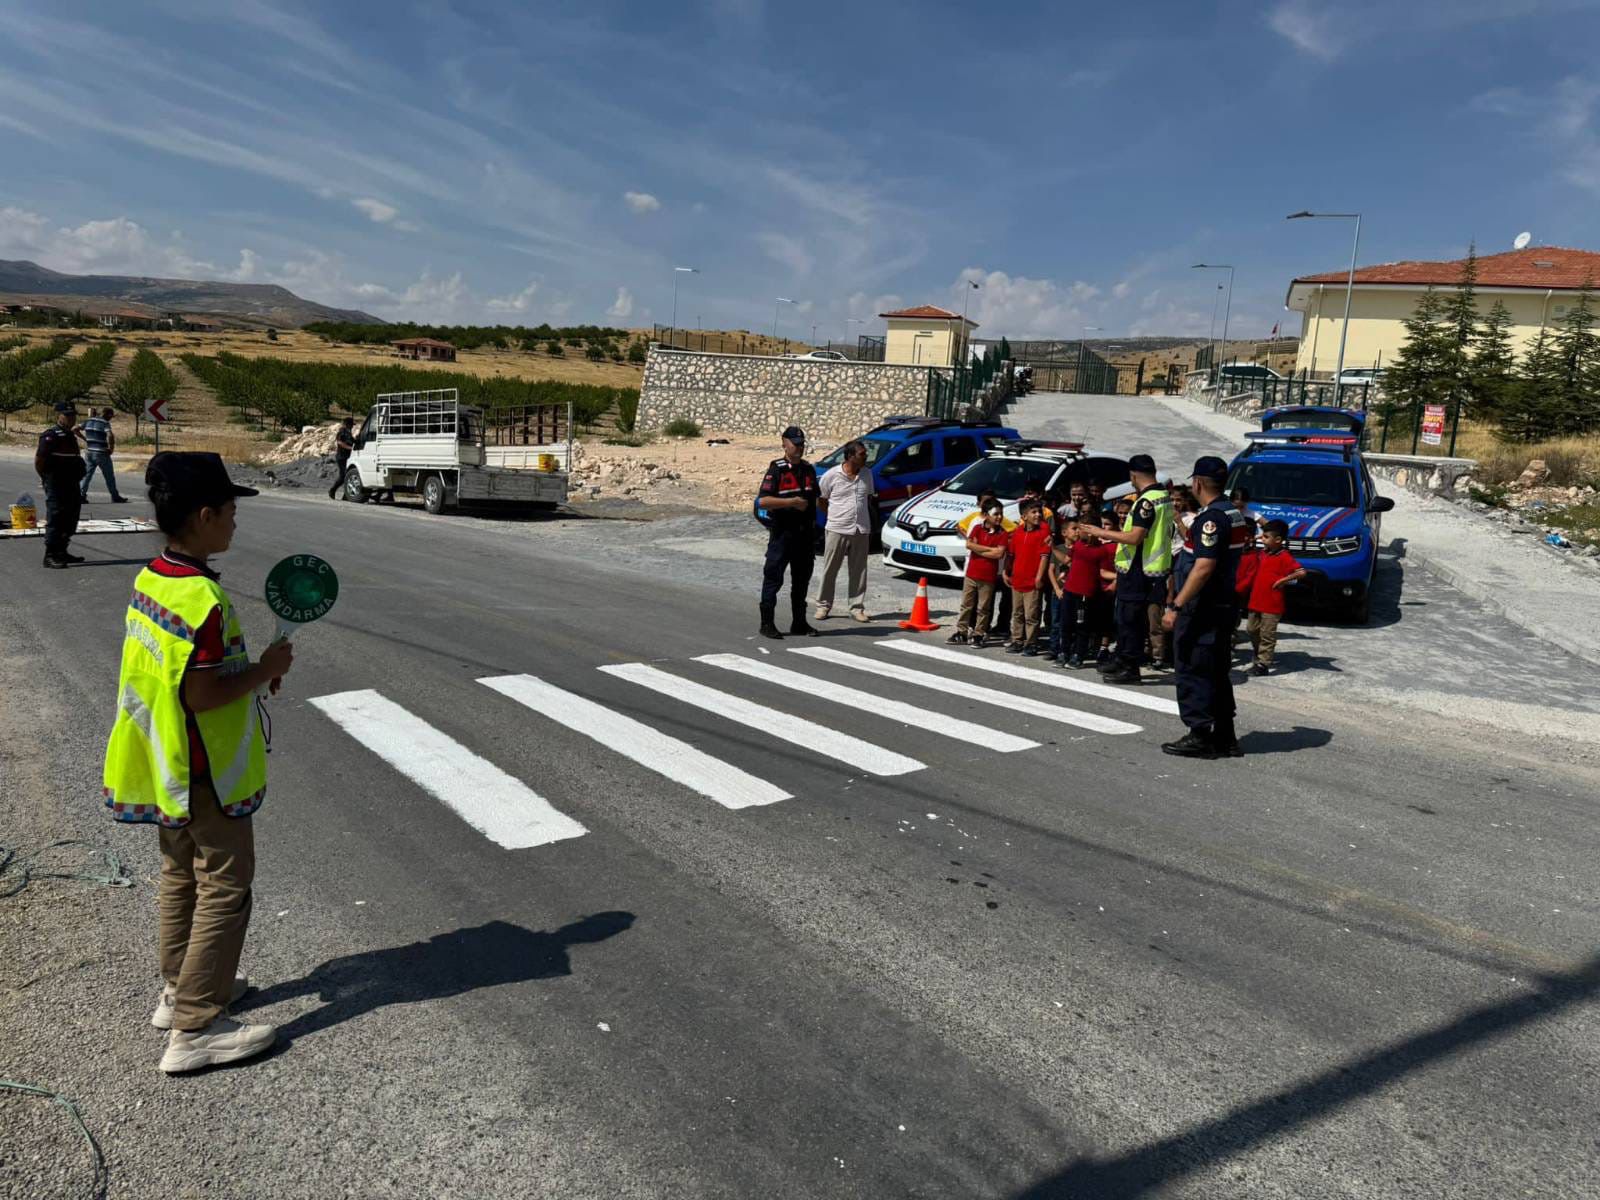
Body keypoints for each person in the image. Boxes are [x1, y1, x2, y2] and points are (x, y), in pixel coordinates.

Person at [101, 452, 294, 1073]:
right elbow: (202, 693)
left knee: (179, 877)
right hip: (206, 768)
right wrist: (263, 671)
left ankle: (178, 990)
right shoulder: (204, 599)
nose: (236, 524)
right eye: (231, 513)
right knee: (225, 886)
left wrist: (249, 674)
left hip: (164, 760)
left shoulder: (153, 577)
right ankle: (197, 1027)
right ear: (205, 515)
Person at [1160, 455, 1250, 758]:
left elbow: (1203, 567)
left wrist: (1175, 605)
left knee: (1192, 666)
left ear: (1197, 483)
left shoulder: (1212, 518)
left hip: (1202, 607)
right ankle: (1225, 735)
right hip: (1223, 605)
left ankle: (1200, 734)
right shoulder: (1231, 513)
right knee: (1216, 670)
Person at [1083, 454, 1173, 684]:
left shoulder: (1146, 501)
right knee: (1127, 617)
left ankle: (1130, 666)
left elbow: (1135, 537)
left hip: (1139, 569)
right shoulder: (1163, 496)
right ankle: (1123, 658)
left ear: (1133, 475)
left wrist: (1100, 532)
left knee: (1130, 619)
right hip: (1151, 569)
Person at [756, 425, 820, 639]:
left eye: (802, 444)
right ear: (785, 444)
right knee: (773, 578)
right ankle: (767, 623)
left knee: (801, 581)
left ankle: (799, 622)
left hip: (805, 536)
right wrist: (790, 502)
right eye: (796, 444)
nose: (800, 447)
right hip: (783, 535)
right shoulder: (777, 469)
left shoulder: (808, 470)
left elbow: (817, 500)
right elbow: (763, 501)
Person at [814, 439, 875, 623]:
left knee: (859, 570)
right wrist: (835, 514)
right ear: (850, 456)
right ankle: (823, 605)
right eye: (862, 454)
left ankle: (857, 607)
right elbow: (822, 500)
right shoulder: (831, 475)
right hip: (837, 528)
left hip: (861, 528)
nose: (866, 457)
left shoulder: (867, 474)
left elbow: (868, 498)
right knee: (830, 569)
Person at [1243, 519, 1307, 676]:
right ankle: (1259, 654)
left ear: (1278, 540)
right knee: (1251, 629)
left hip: (1272, 604)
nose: (1261, 539)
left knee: (1267, 634)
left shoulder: (1284, 556)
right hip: (1256, 600)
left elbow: (1301, 572)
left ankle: (1263, 664)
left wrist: (1283, 580)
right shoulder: (1262, 553)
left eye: (1265, 537)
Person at [35, 401, 86, 569]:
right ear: (59, 416)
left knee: (71, 518)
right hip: (56, 483)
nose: (71, 419)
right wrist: (46, 479)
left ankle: (62, 551)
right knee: (56, 517)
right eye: (67, 415)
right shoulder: (51, 435)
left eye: (73, 416)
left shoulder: (70, 435)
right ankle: (50, 555)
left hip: (71, 483)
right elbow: (40, 461)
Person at [949, 501, 1007, 647]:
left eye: (1001, 514)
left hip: (988, 577)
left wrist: (978, 549)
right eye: (996, 514)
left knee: (983, 607)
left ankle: (979, 633)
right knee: (966, 605)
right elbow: (968, 544)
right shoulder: (976, 528)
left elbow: (999, 554)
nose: (999, 517)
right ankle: (962, 632)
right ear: (986, 515)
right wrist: (988, 550)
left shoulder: (1002, 533)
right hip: (971, 574)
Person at [1062, 512, 1116, 669]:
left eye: (1081, 529)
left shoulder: (1101, 550)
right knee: (1066, 623)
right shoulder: (1077, 545)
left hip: (1085, 595)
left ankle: (1079, 655)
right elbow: (1067, 560)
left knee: (1082, 626)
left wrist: (1119, 577)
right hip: (1070, 590)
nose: (1078, 532)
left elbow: (1103, 572)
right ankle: (1064, 652)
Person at [1004, 498, 1052, 656]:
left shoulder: (1043, 532)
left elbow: (1044, 557)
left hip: (1032, 581)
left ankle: (1031, 643)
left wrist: (1039, 577)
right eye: (1034, 512)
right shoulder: (1017, 533)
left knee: (1032, 614)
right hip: (1017, 580)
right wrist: (1006, 571)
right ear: (1024, 516)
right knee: (1017, 612)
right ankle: (1017, 639)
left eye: (1039, 512)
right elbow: (1011, 555)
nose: (1038, 514)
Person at [79, 406, 128, 503]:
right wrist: (111, 448)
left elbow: (75, 428)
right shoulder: (104, 423)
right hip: (101, 453)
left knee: (87, 476)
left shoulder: (88, 421)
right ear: (107, 414)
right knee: (109, 476)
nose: (111, 418)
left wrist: (85, 439)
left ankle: (81, 496)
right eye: (111, 416)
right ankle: (115, 496)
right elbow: (110, 435)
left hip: (89, 452)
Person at [329, 416, 356, 499]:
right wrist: (350, 448)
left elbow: (353, 441)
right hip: (341, 457)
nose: (352, 426)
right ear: (347, 424)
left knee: (348, 475)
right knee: (343, 476)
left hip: (348, 457)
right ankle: (332, 490)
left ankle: (346, 495)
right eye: (351, 425)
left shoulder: (348, 432)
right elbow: (340, 442)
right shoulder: (342, 431)